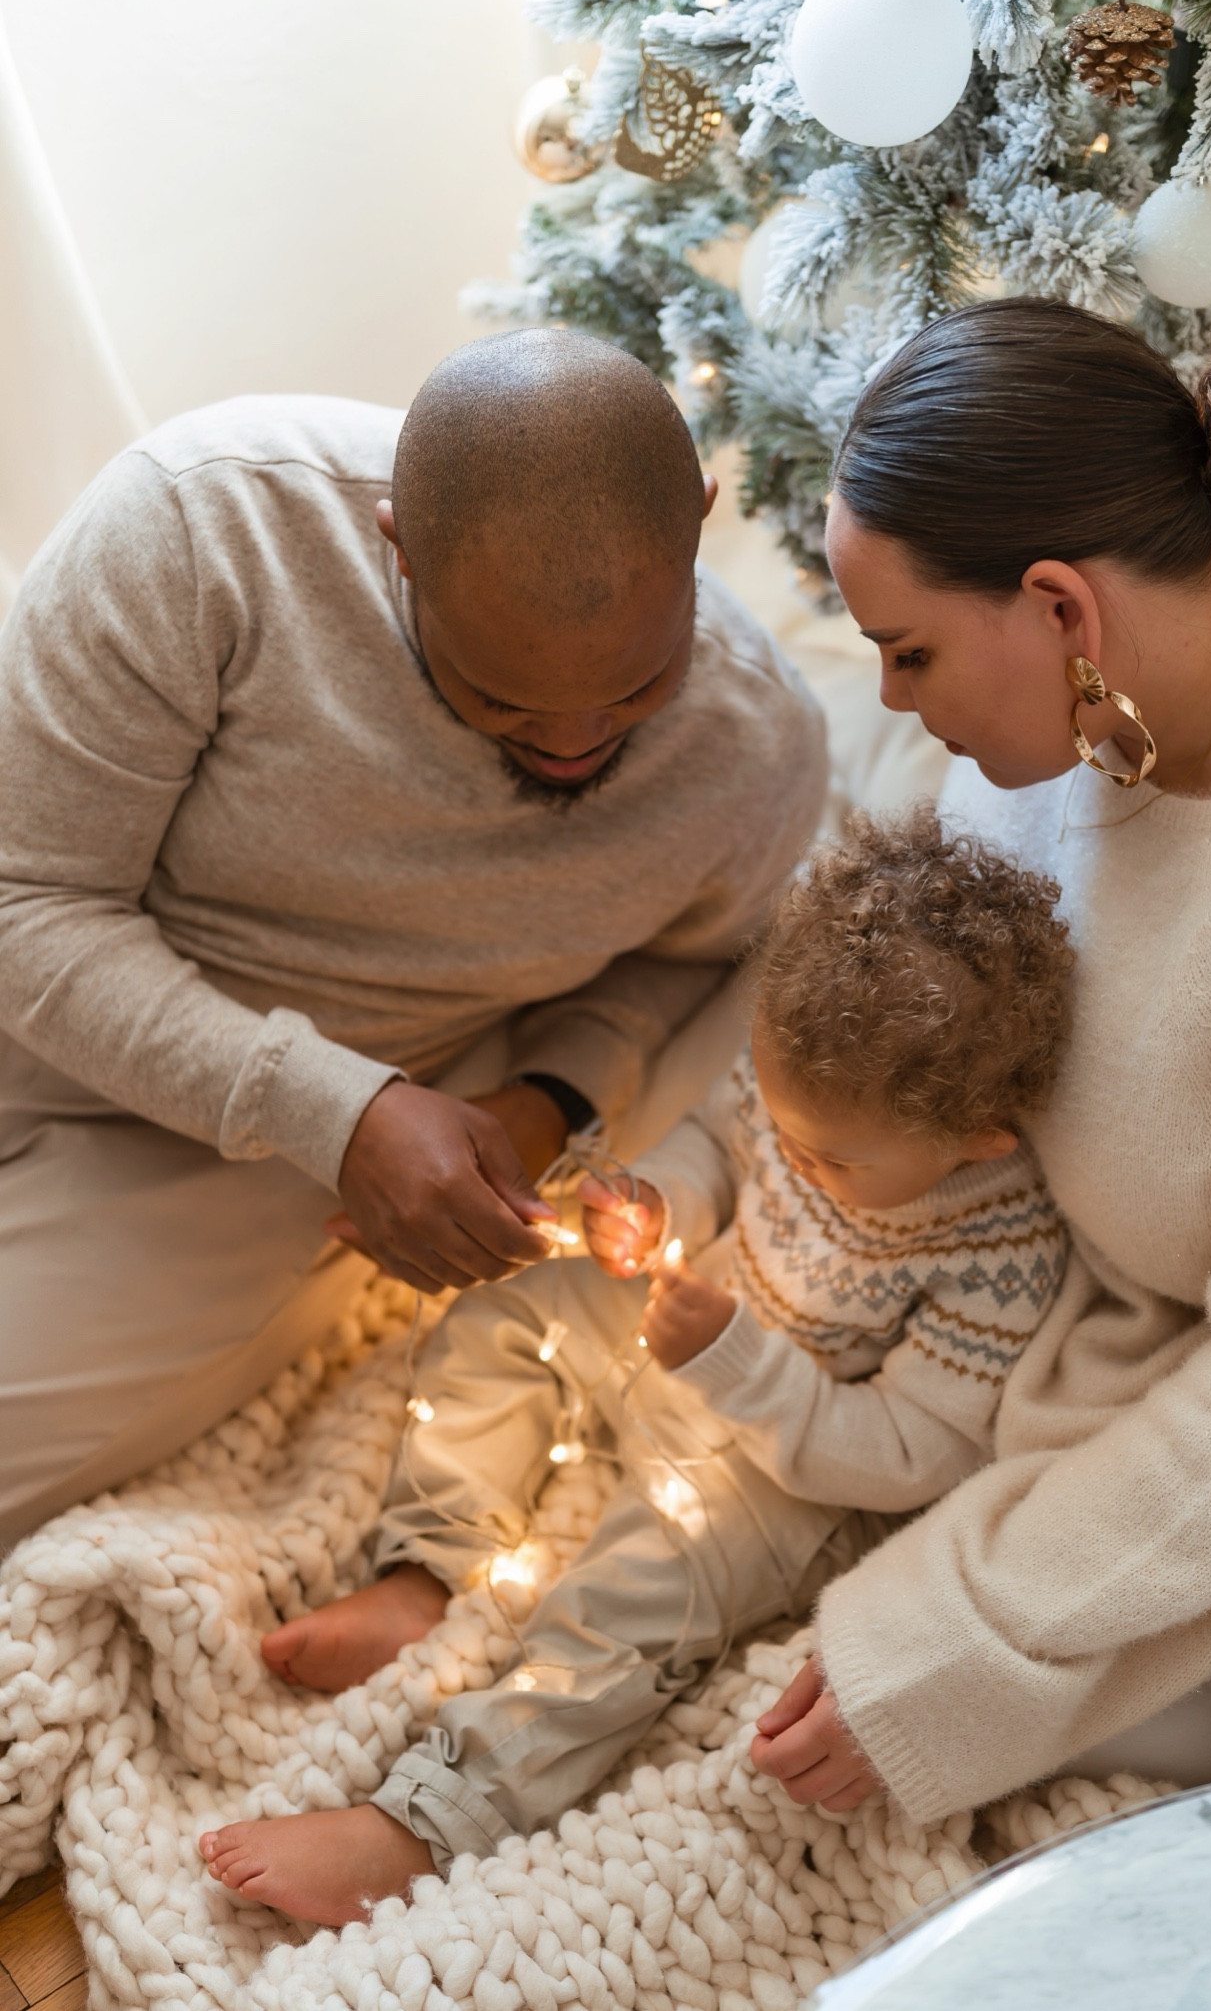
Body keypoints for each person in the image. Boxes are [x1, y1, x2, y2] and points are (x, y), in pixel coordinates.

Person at [0, 329, 827, 1551]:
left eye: (637, 688)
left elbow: (692, 959)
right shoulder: (204, 524)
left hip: (243, 1173)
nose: (573, 741)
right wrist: (335, 1107)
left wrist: (556, 1093)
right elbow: (25, 900)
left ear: (703, 521)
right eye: (500, 695)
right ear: (396, 544)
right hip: (234, 1074)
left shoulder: (757, 757)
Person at [197, 807, 1073, 1922]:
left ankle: (422, 1826)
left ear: (978, 1137)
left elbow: (910, 1453)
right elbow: (719, 1141)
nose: (794, 1161)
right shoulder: (802, 1080)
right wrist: (659, 1199)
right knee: (507, 1317)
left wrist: (737, 1363)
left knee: (634, 1602)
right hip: (685, 1325)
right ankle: (425, 1573)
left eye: (831, 1160)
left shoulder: (1002, 1249)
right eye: (784, 1128)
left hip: (789, 1466)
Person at [743, 297, 1211, 1823]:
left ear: (1061, 609)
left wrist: (955, 1624)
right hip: (1152, 1348)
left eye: (907, 649)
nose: (887, 695)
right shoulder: (1086, 716)